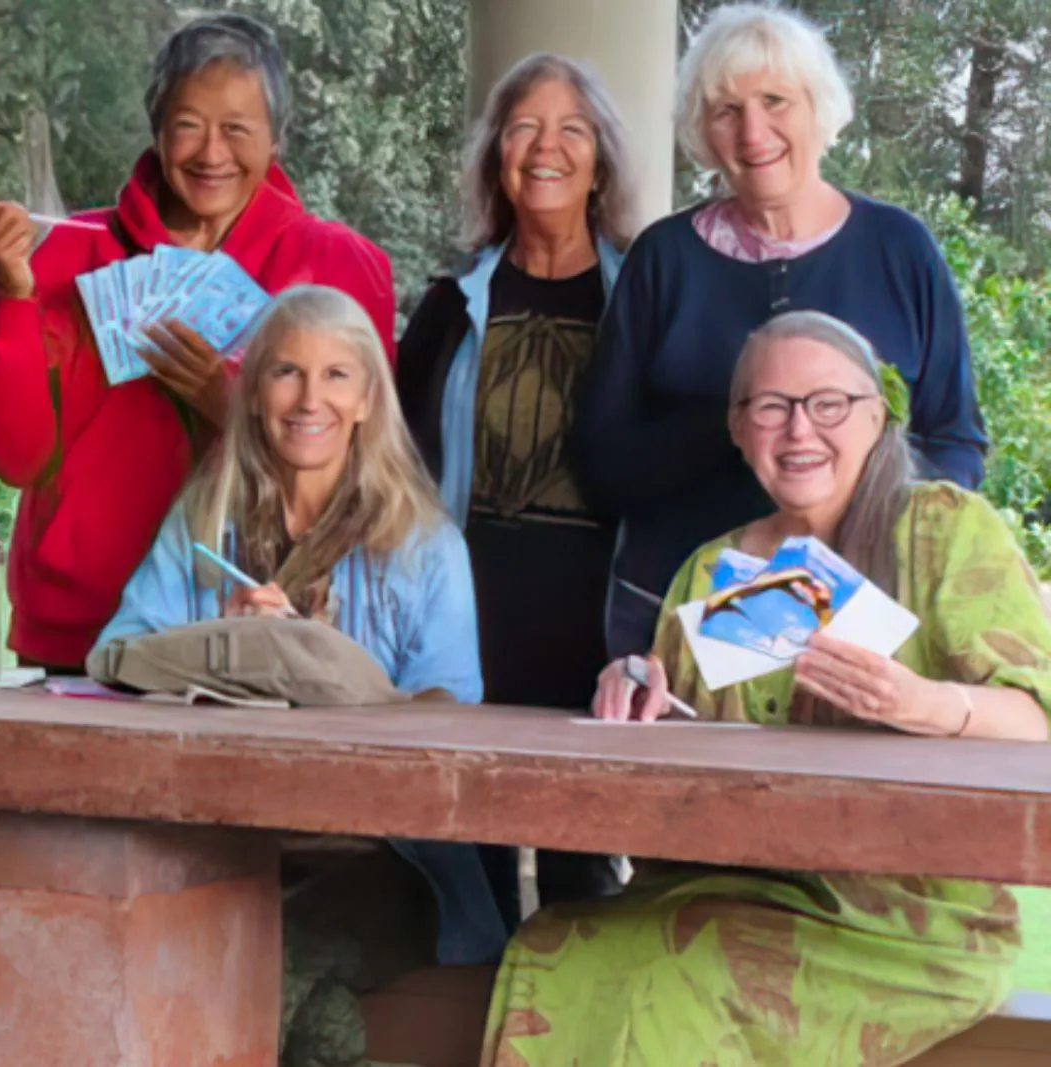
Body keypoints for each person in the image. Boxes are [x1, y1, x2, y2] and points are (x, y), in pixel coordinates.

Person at [481, 310, 1048, 1067]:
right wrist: (636, 683)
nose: (799, 429)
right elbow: (671, 726)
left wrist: (927, 705)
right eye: (771, 406)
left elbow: (1036, 716)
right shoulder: (716, 567)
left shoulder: (944, 530)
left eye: (828, 403)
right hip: (723, 883)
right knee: (550, 942)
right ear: (740, 429)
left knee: (685, 972)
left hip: (906, 917)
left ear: (875, 415)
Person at [92, 285, 480, 1067]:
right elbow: (120, 652)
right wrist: (228, 640)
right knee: (305, 1013)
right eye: (286, 373)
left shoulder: (423, 542)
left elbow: (452, 719)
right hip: (233, 838)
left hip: (385, 861)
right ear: (253, 389)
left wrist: (323, 665)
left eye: (337, 375)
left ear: (370, 397)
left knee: (263, 962)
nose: (311, 399)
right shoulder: (208, 518)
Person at [0, 12, 396, 674]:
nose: (211, 153)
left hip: (266, 629)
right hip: (80, 629)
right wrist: (14, 294)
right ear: (158, 131)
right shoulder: (75, 252)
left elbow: (371, 465)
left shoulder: (335, 264)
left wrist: (236, 407)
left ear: (277, 137)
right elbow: (18, 455)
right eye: (189, 126)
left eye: (237, 129)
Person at [571, 3, 989, 661]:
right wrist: (752, 415)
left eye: (775, 100)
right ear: (703, 133)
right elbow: (602, 464)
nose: (753, 130)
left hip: (860, 620)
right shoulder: (663, 259)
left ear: (818, 108)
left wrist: (864, 542)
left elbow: (957, 441)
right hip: (676, 616)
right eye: (725, 110)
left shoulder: (899, 248)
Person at [397, 52, 640, 907]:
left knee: (587, 879)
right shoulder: (448, 307)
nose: (547, 147)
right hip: (471, 629)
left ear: (601, 160)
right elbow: (393, 469)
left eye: (572, 129)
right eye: (525, 127)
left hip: (596, 633)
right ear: (497, 154)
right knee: (469, 872)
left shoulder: (641, 298)